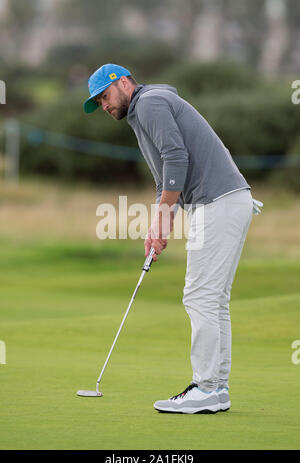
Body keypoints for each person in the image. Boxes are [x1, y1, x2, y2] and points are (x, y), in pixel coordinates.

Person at [83, 63, 262, 414]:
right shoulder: (144, 112)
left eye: (104, 96)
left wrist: (163, 219)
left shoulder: (149, 103)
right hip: (224, 202)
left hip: (218, 203)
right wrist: (159, 226)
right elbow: (166, 177)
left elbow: (175, 157)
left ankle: (207, 387)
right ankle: (216, 389)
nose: (104, 106)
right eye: (98, 103)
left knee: (200, 296)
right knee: (213, 298)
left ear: (122, 83)